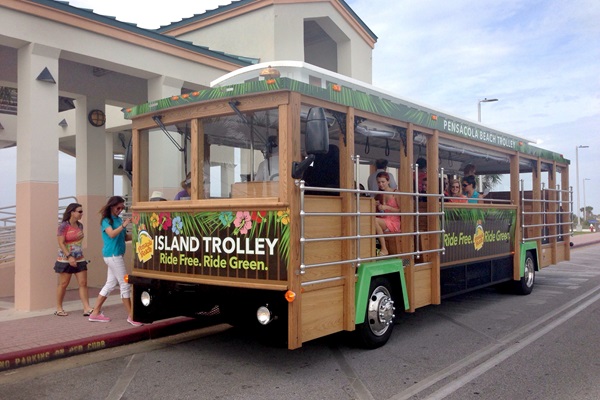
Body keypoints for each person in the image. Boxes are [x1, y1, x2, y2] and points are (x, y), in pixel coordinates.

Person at [88, 196, 143, 326]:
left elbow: (124, 237)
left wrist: (138, 233)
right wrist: (124, 225)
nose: (120, 210)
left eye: (122, 208)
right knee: (125, 285)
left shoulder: (118, 220)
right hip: (112, 255)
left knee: (110, 284)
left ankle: (95, 313)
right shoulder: (106, 221)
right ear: (111, 206)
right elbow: (111, 234)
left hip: (116, 255)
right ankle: (131, 315)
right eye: (118, 208)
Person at [53, 203, 92, 317]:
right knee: (64, 283)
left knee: (83, 283)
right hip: (66, 258)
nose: (81, 214)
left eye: (82, 211)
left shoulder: (80, 225)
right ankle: (59, 308)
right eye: (79, 211)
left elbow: (78, 241)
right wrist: (69, 256)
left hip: (79, 257)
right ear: (72, 212)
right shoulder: (63, 226)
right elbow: (61, 242)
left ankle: (87, 308)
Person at [374, 172, 401, 256]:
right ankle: (374, 249)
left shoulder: (395, 192)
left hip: (394, 222)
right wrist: (378, 206)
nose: (381, 184)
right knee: (370, 221)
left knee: (374, 220)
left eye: (383, 182)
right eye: (379, 182)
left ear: (388, 181)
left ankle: (384, 249)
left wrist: (387, 207)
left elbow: (402, 210)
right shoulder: (380, 194)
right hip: (385, 219)